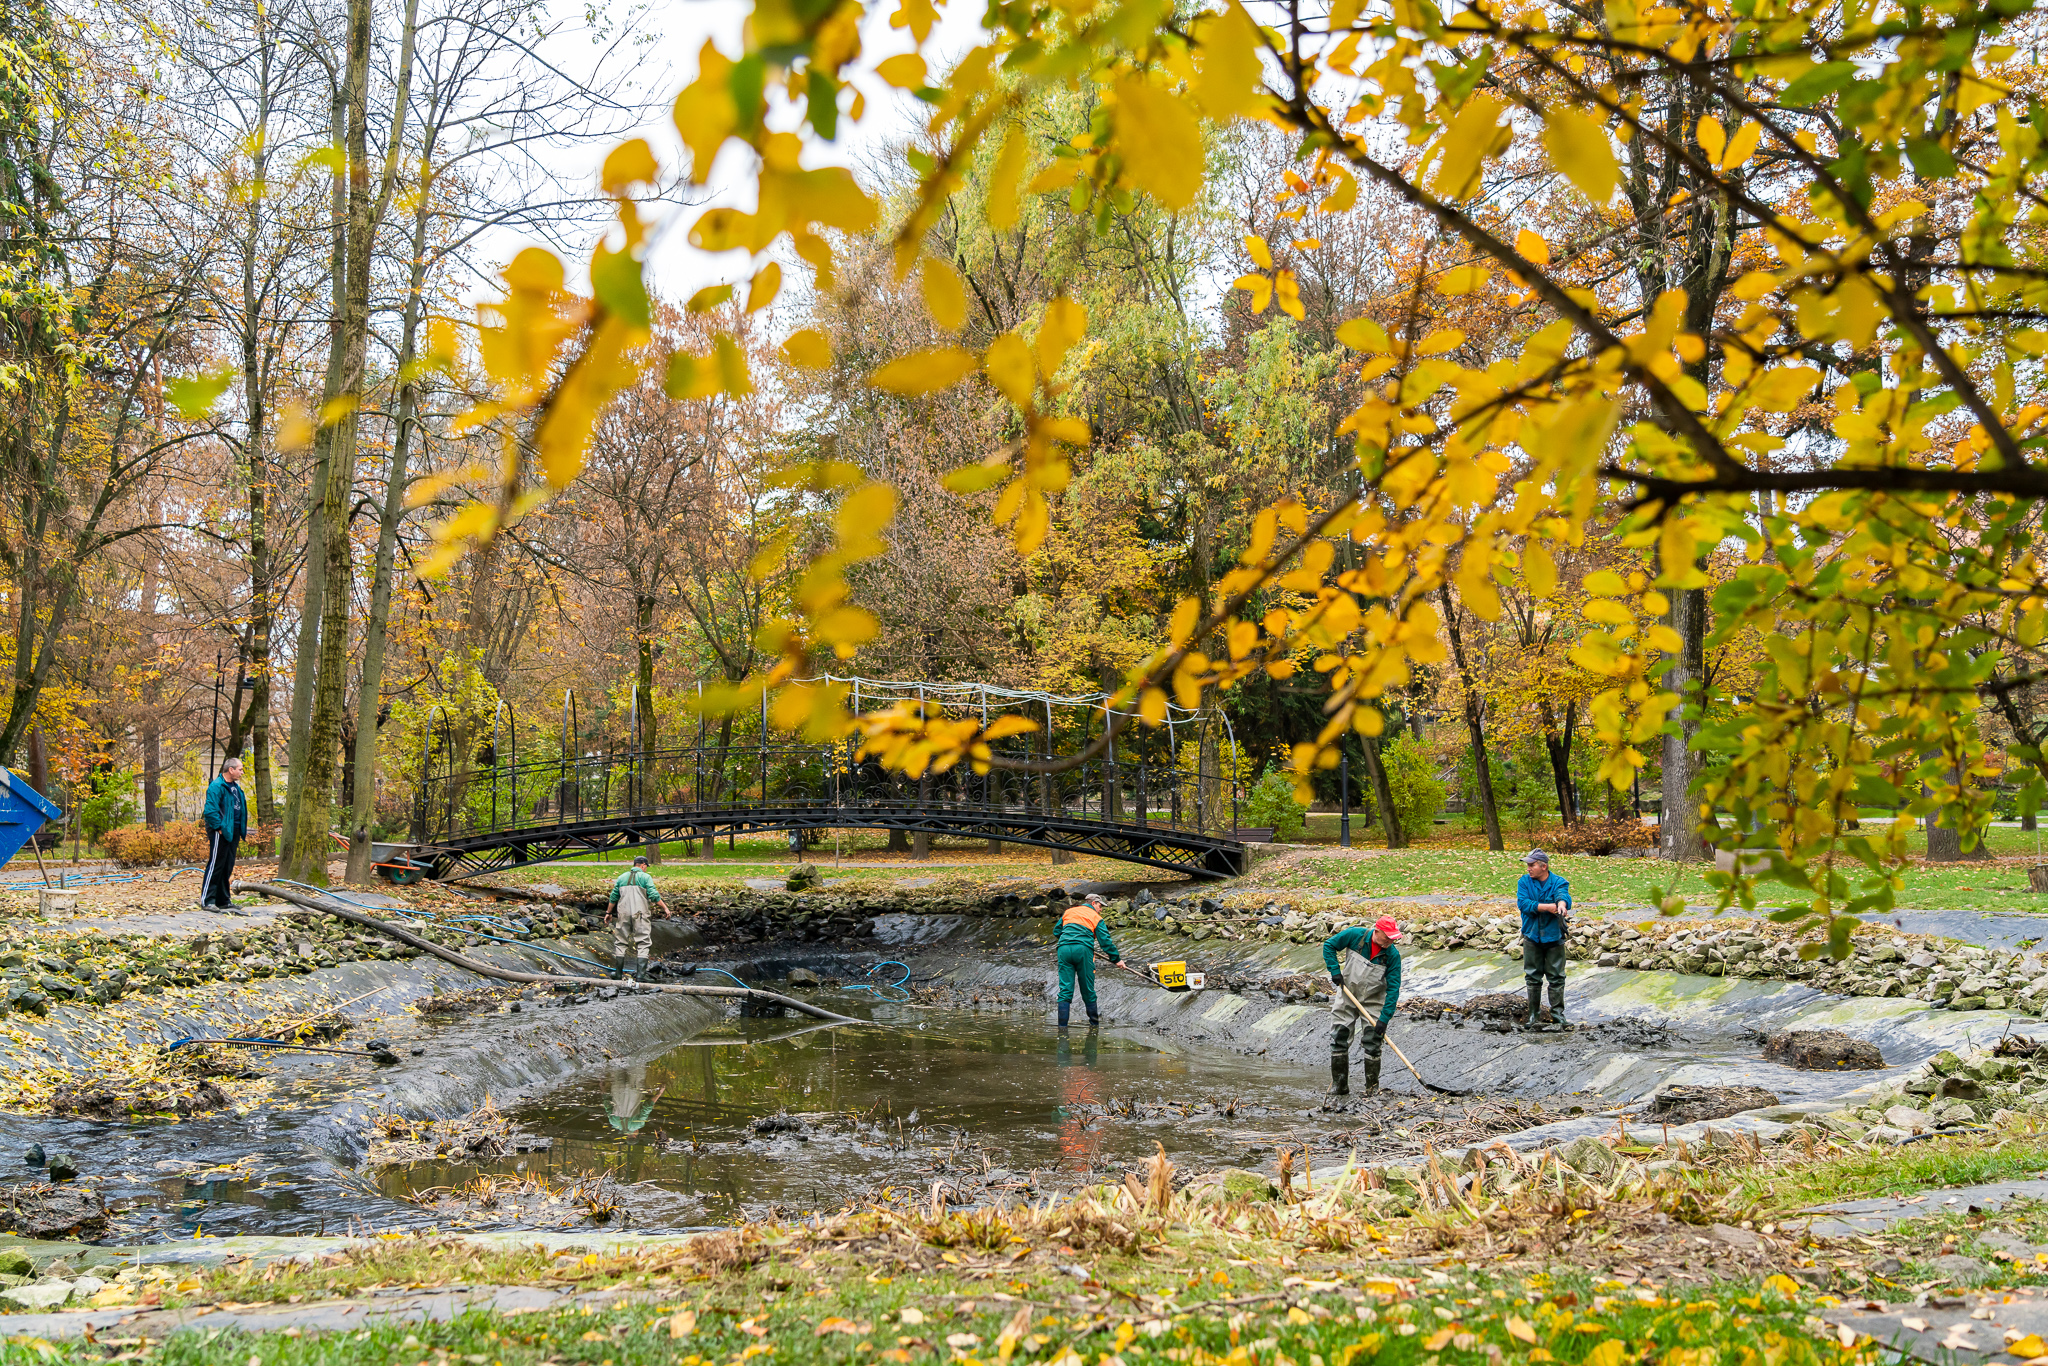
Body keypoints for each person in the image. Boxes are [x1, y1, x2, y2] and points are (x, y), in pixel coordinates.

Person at [1322, 915, 1403, 1096]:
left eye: (1393, 937)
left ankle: (1371, 1090)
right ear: (1377, 931)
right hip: (1347, 994)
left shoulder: (1392, 956)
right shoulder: (1355, 935)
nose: (1391, 941)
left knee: (1373, 1042)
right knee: (1340, 1037)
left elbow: (1393, 989)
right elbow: (1329, 946)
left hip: (1374, 1001)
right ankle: (1340, 1086)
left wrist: (1384, 1018)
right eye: (1387, 936)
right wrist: (1335, 971)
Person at [1517, 848, 1574, 1029]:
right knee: (1532, 977)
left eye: (1532, 865)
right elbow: (1524, 904)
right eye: (1528, 865)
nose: (1528, 868)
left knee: (1557, 977)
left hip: (1554, 936)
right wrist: (1547, 907)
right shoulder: (1524, 882)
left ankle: (1558, 1015)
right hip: (1531, 936)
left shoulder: (1559, 881)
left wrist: (1561, 905)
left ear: (1544, 866)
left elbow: (1563, 895)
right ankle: (1533, 1015)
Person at [1055, 892, 1121, 1029]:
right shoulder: (1095, 917)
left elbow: (1057, 931)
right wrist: (1117, 959)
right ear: (1093, 903)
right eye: (1100, 905)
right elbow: (1106, 942)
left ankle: (1062, 1028)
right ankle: (1094, 1025)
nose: (1101, 909)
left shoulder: (1069, 912)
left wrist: (1071, 938)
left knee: (1065, 989)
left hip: (1063, 949)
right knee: (1087, 988)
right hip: (1083, 951)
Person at [199, 757, 248, 912]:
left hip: (234, 831)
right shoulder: (217, 786)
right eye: (240, 769)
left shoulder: (235, 787)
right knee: (216, 865)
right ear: (231, 770)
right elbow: (210, 810)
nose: (242, 772)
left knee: (227, 866)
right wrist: (219, 827)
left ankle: (223, 900)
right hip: (222, 831)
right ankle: (208, 900)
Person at [607, 854, 663, 980]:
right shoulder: (645, 877)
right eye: (646, 866)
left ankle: (618, 974)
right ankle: (641, 975)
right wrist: (665, 908)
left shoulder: (622, 877)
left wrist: (608, 913)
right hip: (640, 914)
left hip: (623, 914)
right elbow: (654, 896)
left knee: (621, 941)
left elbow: (613, 897)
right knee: (643, 941)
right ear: (643, 865)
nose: (646, 869)